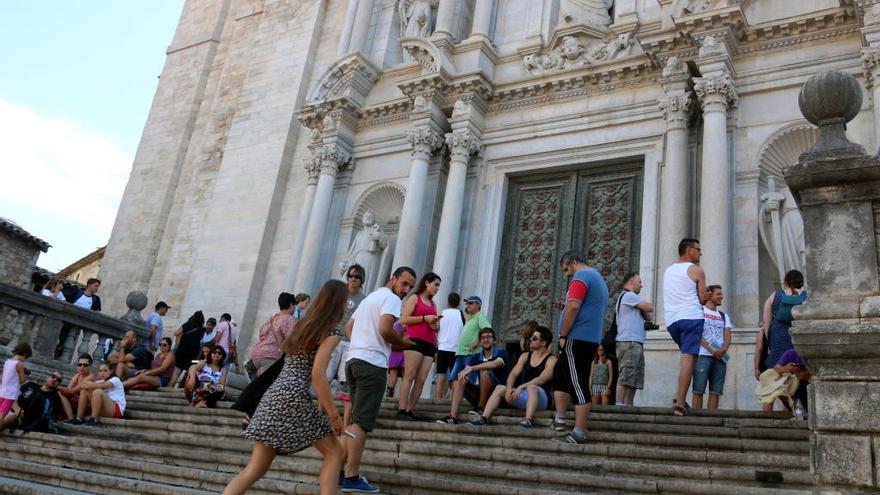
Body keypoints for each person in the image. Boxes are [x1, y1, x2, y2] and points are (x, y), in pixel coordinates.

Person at [223, 280, 349, 495]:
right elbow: (318, 373)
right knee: (336, 453)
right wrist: (334, 414)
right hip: (294, 397)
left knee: (254, 469)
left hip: (274, 395)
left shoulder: (302, 325)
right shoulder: (332, 331)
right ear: (339, 303)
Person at [341, 266, 416, 494]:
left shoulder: (370, 297)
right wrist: (404, 343)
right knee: (362, 423)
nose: (406, 289)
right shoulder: (392, 299)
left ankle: (337, 470)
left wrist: (362, 343)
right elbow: (385, 330)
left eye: (410, 286)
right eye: (404, 283)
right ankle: (351, 476)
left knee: (354, 421)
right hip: (371, 364)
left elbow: (348, 327)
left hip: (354, 361)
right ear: (392, 279)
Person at [552, 249, 609, 444]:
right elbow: (578, 305)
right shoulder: (597, 277)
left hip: (577, 338)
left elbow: (574, 306)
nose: (567, 274)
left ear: (574, 262)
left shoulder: (581, 276)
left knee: (578, 383)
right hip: (589, 338)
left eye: (567, 269)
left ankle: (579, 431)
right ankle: (560, 418)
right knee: (562, 376)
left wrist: (563, 335)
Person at [468, 325, 556, 428]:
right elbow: (513, 374)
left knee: (532, 387)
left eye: (535, 338)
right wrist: (509, 390)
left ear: (543, 343)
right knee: (500, 388)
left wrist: (521, 387)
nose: (530, 340)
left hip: (542, 399)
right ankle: (484, 418)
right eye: (531, 337)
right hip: (524, 396)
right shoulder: (525, 356)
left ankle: (528, 420)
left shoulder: (552, 359)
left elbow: (542, 379)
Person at [662, 238, 710, 417]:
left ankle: (678, 397)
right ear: (689, 250)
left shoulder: (668, 270)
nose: (700, 253)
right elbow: (703, 299)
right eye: (698, 249)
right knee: (689, 359)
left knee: (687, 360)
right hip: (691, 317)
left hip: (672, 321)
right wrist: (707, 295)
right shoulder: (696, 270)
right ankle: (680, 404)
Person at [755, 269, 807, 411]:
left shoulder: (775, 295)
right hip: (798, 338)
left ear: (786, 281)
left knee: (775, 379)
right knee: (798, 377)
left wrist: (771, 342)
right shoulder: (806, 296)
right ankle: (796, 409)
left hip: (778, 338)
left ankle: (769, 415)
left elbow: (767, 324)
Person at [438, 328, 508, 424]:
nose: (486, 339)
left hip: (498, 396)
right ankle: (452, 417)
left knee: (484, 371)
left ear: (494, 340)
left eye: (488, 337)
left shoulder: (501, 352)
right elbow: (465, 370)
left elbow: (494, 364)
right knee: (461, 378)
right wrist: (464, 374)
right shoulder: (476, 356)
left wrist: (472, 368)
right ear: (479, 342)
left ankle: (481, 407)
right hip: (480, 393)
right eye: (482, 338)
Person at [325, 264, 366, 426]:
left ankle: (346, 423)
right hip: (334, 338)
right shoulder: (340, 293)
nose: (352, 279)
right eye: (350, 276)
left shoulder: (364, 299)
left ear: (361, 280)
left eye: (356, 277)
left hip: (350, 342)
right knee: (326, 377)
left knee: (345, 381)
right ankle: (322, 415)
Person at [396, 272, 441, 421]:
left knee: (421, 379)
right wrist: (424, 318)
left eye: (438, 286)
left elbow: (434, 327)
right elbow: (404, 319)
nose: (437, 288)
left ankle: (410, 410)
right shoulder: (415, 298)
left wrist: (435, 324)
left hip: (430, 343)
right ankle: (402, 409)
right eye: (436, 284)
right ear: (427, 283)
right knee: (409, 375)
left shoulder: (433, 304)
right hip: (414, 340)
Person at [614, 272, 653, 406]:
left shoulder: (634, 299)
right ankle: (619, 404)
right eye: (639, 282)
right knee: (626, 373)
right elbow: (650, 307)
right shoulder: (628, 296)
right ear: (631, 282)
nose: (642, 285)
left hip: (636, 341)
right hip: (629, 341)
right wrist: (642, 305)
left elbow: (648, 317)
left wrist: (641, 306)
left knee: (635, 377)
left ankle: (628, 405)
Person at [693, 285, 732, 410]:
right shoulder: (699, 311)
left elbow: (727, 334)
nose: (721, 297)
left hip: (720, 358)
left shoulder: (724, 316)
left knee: (716, 391)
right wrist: (713, 351)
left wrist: (724, 349)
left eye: (721, 294)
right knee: (698, 389)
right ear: (710, 295)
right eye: (718, 294)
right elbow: (697, 334)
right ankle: (696, 419)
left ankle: (711, 418)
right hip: (703, 356)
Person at [446, 296, 492, 394]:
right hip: (461, 353)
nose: (468, 305)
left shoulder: (480, 316)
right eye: (467, 303)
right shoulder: (470, 318)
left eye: (471, 303)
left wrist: (477, 342)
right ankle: (455, 397)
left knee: (468, 378)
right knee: (454, 377)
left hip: (471, 353)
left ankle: (467, 397)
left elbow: (488, 330)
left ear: (478, 305)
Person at [1, 371, 72, 431]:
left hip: (20, 420)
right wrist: (17, 409)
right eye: (53, 376)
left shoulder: (54, 397)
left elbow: (56, 416)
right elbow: (11, 396)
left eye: (58, 380)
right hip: (9, 409)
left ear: (59, 384)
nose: (54, 380)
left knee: (12, 416)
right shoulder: (31, 385)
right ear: (48, 377)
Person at [250, 292, 297, 376]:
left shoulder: (273, 317)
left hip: (257, 354)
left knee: (258, 384)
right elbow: (291, 340)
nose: (295, 308)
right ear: (291, 304)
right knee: (266, 386)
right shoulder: (290, 319)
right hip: (271, 356)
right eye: (294, 305)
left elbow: (261, 333)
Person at [434, 292, 465, 399]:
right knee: (454, 377)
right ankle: (453, 399)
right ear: (458, 302)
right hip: (456, 350)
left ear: (448, 301)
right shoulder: (461, 315)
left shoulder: (442, 314)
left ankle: (438, 399)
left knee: (440, 375)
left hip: (442, 348)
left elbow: (437, 329)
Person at [171, 311, 207, 386]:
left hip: (181, 352)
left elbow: (176, 333)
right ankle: (185, 389)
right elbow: (201, 343)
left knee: (177, 371)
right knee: (190, 371)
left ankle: (169, 387)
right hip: (193, 355)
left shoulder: (188, 324)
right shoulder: (202, 330)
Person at [773, 348, 810, 415]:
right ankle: (793, 409)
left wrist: (807, 376)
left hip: (809, 384)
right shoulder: (790, 353)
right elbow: (776, 368)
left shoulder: (814, 354)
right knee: (777, 386)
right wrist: (785, 368)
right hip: (795, 385)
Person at [1, 343, 32, 418]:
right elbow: (22, 380)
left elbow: (3, 377)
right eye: (26, 357)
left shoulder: (7, 361)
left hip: (2, 391)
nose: (25, 359)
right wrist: (24, 374)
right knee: (2, 414)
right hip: (11, 394)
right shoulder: (20, 364)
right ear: (25, 353)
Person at [386, 322, 405, 398]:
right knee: (405, 376)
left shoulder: (398, 325)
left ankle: (389, 395)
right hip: (403, 351)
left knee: (394, 375)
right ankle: (402, 398)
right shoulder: (399, 326)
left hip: (396, 352)